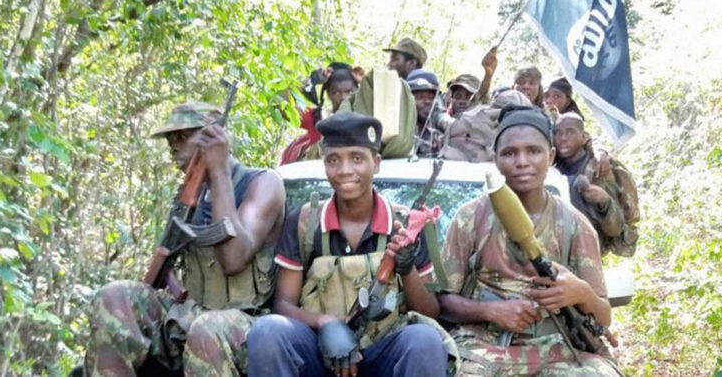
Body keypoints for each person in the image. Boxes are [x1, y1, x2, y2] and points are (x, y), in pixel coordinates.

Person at [82, 102, 286, 376]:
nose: (174, 148)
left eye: (183, 137)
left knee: (207, 328)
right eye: (170, 140)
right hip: (193, 313)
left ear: (215, 138)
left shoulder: (262, 183)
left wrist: (218, 172)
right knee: (114, 296)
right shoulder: (189, 197)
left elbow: (234, 259)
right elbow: (166, 266)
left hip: (247, 322)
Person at [247, 112, 457, 377]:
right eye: (333, 160)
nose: (345, 170)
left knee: (424, 340)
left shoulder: (405, 226)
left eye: (357, 158)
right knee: (268, 331)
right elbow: (283, 304)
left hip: (383, 352)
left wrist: (407, 269)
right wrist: (325, 322)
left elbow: (430, 312)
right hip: (317, 353)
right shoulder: (305, 222)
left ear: (376, 163)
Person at [437, 105, 622, 376]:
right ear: (495, 159)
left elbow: (604, 315)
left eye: (533, 151)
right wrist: (491, 311)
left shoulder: (574, 224)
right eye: (509, 153)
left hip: (558, 350)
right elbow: (443, 301)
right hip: (482, 347)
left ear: (551, 156)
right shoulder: (471, 217)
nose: (522, 162)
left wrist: (581, 292)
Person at [553, 112, 639, 257]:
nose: (563, 138)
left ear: (583, 137)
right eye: (558, 133)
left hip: (589, 250)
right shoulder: (553, 168)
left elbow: (615, 228)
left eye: (570, 132)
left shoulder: (599, 168)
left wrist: (604, 201)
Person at [281, 65, 361, 164]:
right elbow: (278, 104)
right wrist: (309, 81)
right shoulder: (317, 118)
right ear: (328, 94)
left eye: (349, 92)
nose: (343, 97)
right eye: (336, 93)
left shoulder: (365, 118)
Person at [407, 68, 444, 157]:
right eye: (420, 97)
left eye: (431, 97)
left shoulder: (439, 128)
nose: (427, 101)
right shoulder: (398, 129)